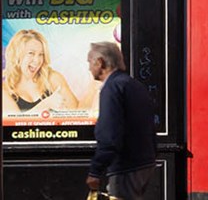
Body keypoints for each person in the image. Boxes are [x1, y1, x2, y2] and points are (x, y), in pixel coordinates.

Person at [85, 41, 157, 200]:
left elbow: (109, 133)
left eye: (90, 62)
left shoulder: (111, 88)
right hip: (145, 162)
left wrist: (95, 170)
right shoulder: (134, 85)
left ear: (100, 62)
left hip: (125, 166)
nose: (89, 68)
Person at [3, 29, 83, 114]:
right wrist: (45, 104)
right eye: (31, 53)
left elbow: (79, 112)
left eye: (41, 54)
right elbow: (14, 124)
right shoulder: (5, 90)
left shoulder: (53, 78)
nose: (37, 60)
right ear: (16, 55)